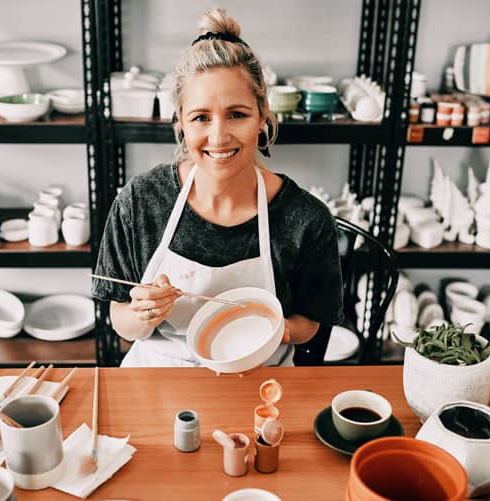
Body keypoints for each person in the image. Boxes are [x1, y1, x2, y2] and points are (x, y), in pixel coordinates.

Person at [92, 8, 344, 367]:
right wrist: (144, 313)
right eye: (200, 118)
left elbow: (310, 325)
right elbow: (122, 321)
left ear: (263, 118)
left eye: (237, 114)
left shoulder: (306, 218)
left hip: (260, 378)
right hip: (159, 374)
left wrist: (276, 328)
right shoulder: (140, 202)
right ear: (180, 123)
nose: (218, 136)